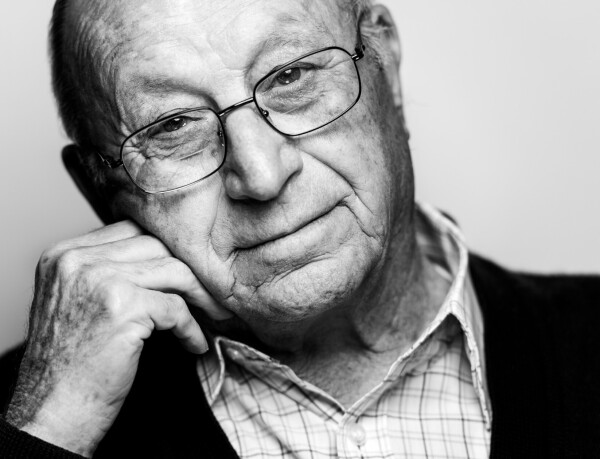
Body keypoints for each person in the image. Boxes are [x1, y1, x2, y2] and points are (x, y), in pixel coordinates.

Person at [1, 0, 599, 457]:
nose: (261, 175)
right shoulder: (34, 413)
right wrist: (49, 428)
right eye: (174, 126)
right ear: (98, 188)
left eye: (291, 77)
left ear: (384, 61)